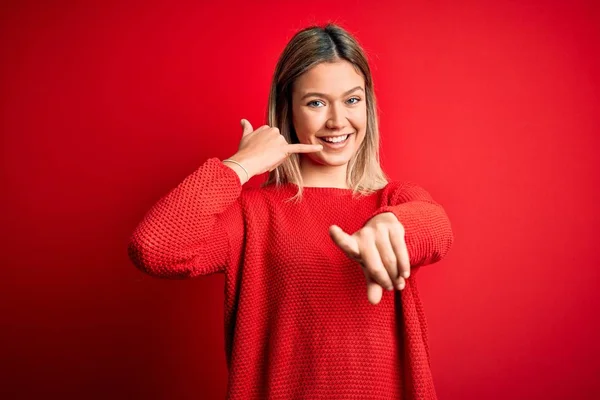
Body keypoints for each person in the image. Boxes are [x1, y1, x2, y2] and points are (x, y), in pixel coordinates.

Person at [128, 23, 454, 400]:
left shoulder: (396, 199)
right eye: (316, 102)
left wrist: (391, 225)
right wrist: (241, 164)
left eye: (352, 100)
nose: (337, 121)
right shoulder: (252, 215)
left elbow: (437, 228)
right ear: (287, 110)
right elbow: (155, 249)